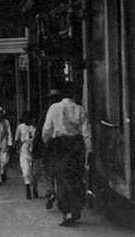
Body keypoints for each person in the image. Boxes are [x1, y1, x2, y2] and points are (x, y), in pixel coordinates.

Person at [42, 83, 92, 227]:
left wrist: (49, 144)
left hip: (59, 146)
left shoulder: (54, 108)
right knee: (75, 178)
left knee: (62, 179)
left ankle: (67, 212)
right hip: (76, 146)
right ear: (74, 95)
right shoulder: (80, 109)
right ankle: (75, 208)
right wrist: (89, 150)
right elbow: (86, 133)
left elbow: (46, 130)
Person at [34, 88, 62, 208]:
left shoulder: (47, 112)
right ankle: (59, 193)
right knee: (61, 173)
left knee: (48, 171)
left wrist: (37, 148)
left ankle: (51, 192)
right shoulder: (65, 110)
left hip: (49, 146)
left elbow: (42, 131)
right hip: (64, 146)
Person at [14, 112, 37, 199]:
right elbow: (17, 139)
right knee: (26, 170)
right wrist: (16, 149)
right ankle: (27, 188)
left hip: (34, 150)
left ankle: (34, 188)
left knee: (35, 173)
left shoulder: (35, 128)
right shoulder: (20, 127)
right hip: (24, 149)